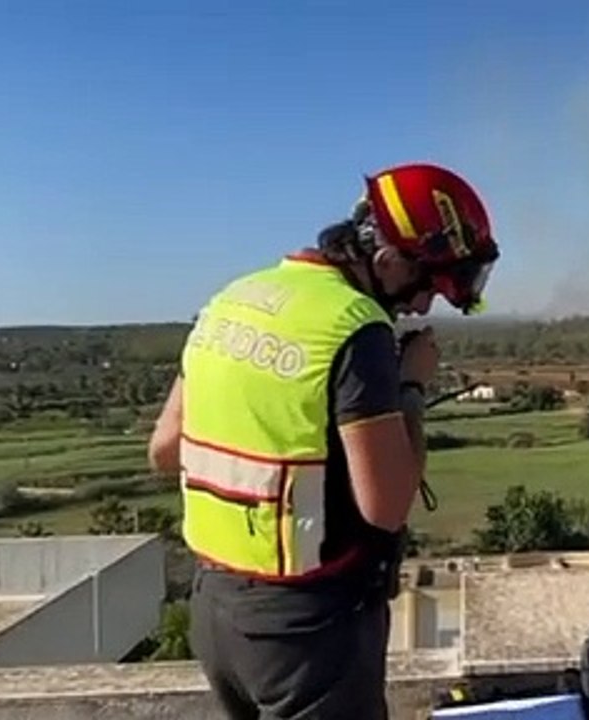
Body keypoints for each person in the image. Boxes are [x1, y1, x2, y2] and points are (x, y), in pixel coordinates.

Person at [146, 163, 500, 719]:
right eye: (427, 285)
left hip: (215, 612)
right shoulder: (355, 327)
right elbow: (386, 507)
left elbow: (165, 450)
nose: (424, 306)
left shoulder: (233, 300)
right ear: (387, 261)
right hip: (306, 626)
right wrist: (410, 385)